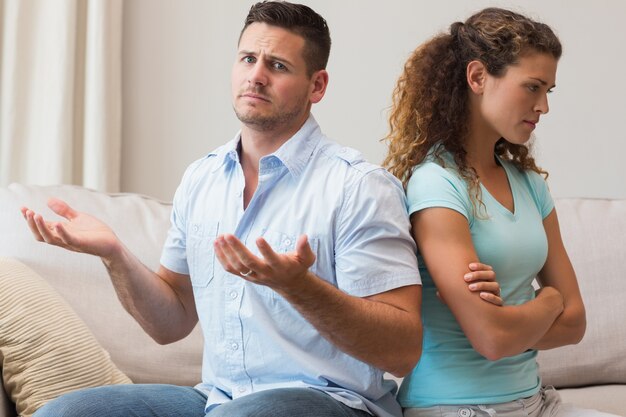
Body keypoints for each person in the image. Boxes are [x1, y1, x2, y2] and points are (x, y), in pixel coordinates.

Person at [20, 2, 427, 417]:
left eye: (278, 65)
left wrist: (299, 287)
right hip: (219, 400)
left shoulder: (358, 187)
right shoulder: (202, 179)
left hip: (333, 401)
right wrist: (115, 255)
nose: (256, 75)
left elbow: (401, 350)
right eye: (248, 59)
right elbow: (170, 323)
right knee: (67, 412)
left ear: (317, 86)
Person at [383, 7, 620, 417]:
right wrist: (547, 302)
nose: (543, 106)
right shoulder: (436, 183)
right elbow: (491, 338)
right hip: (457, 407)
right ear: (477, 78)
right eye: (532, 87)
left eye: (549, 90)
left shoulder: (529, 184)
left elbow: (576, 322)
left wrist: (514, 322)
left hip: (538, 403)